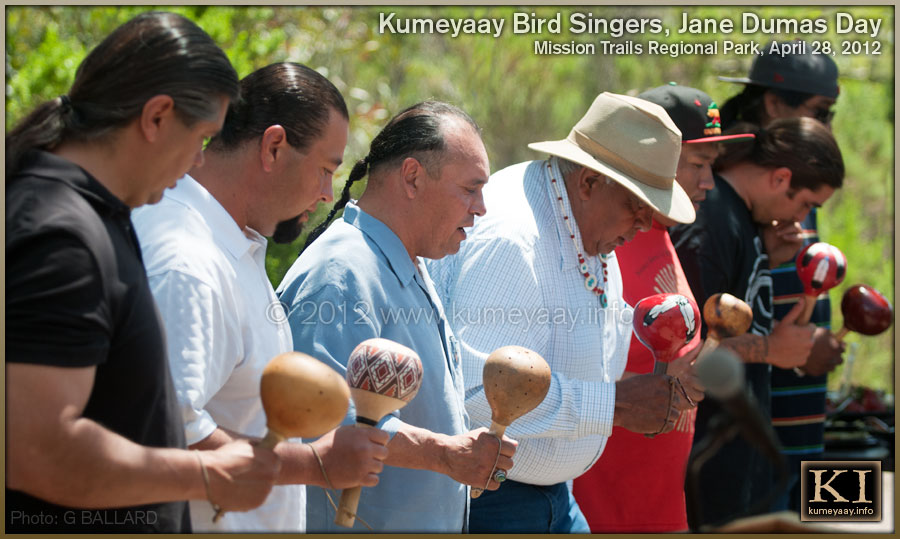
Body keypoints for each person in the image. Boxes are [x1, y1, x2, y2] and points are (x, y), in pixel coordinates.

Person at [6, 12, 279, 533]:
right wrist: (203, 472)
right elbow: (37, 449)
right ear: (156, 117)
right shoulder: (60, 235)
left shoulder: (94, 216)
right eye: (200, 137)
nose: (198, 162)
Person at [427, 92, 704, 533]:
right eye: (637, 204)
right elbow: (479, 395)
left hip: (550, 495)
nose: (645, 223)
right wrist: (616, 405)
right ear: (591, 182)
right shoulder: (514, 240)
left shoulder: (580, 215)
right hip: (493, 499)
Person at [131, 63, 390, 532]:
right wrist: (313, 464)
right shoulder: (190, 261)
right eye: (325, 169)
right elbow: (169, 437)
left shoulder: (233, 246)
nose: (326, 193)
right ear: (273, 147)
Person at [276, 101, 517, 533]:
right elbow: (318, 421)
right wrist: (443, 452)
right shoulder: (342, 273)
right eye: (470, 189)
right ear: (412, 177)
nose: (481, 208)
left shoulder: (406, 261)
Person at [572, 84, 755, 533]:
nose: (708, 182)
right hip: (603, 507)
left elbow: (668, 367)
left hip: (660, 501)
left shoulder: (659, 231)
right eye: (698, 165)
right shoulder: (602, 245)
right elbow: (566, 372)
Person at [669, 116, 844, 528]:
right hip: (708, 462)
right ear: (781, 177)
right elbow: (683, 354)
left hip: (738, 457)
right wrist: (771, 350)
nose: (802, 218)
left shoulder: (742, 220)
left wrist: (765, 253)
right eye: (806, 204)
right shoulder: (710, 224)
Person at [720, 42, 845, 512]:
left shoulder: (797, 174)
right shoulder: (734, 191)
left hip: (802, 408)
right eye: (821, 112)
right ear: (774, 104)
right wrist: (786, 352)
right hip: (758, 415)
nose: (828, 126)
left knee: (822, 512)